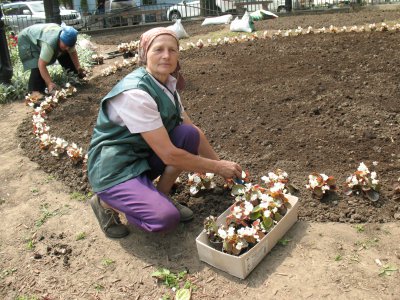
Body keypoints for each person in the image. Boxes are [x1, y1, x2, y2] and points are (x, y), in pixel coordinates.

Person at [87, 27, 242, 238]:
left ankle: (160, 196)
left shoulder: (167, 84)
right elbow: (169, 155)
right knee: (165, 218)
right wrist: (218, 167)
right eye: (158, 49)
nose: (166, 56)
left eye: (173, 50)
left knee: (188, 134)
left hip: (139, 157)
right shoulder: (136, 93)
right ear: (145, 54)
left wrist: (226, 172)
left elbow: (192, 130)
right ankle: (105, 201)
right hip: (114, 169)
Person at [17, 23, 85, 98]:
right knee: (36, 63)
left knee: (64, 52)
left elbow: (72, 52)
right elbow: (41, 64)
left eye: (69, 46)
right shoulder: (49, 44)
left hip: (42, 35)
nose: (67, 48)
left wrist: (78, 67)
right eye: (65, 45)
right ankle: (35, 91)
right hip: (27, 38)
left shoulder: (68, 40)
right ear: (60, 39)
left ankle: (74, 76)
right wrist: (49, 83)